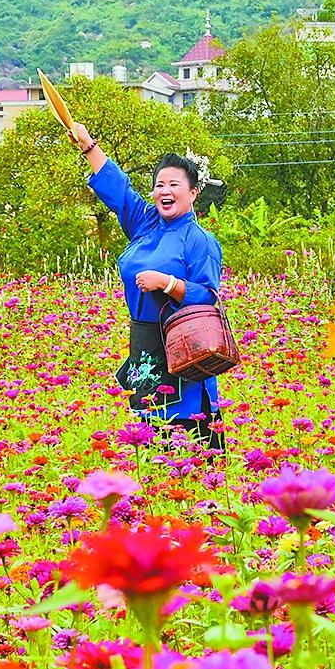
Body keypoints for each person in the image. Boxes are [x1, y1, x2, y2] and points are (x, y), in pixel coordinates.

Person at [66, 117, 229, 448]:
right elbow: (119, 191)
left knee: (190, 451)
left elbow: (207, 295)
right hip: (144, 344)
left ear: (194, 192)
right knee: (151, 448)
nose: (165, 191)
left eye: (174, 185)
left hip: (184, 346)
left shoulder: (200, 240)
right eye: (159, 184)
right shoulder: (144, 224)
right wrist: (86, 144)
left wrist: (167, 283)